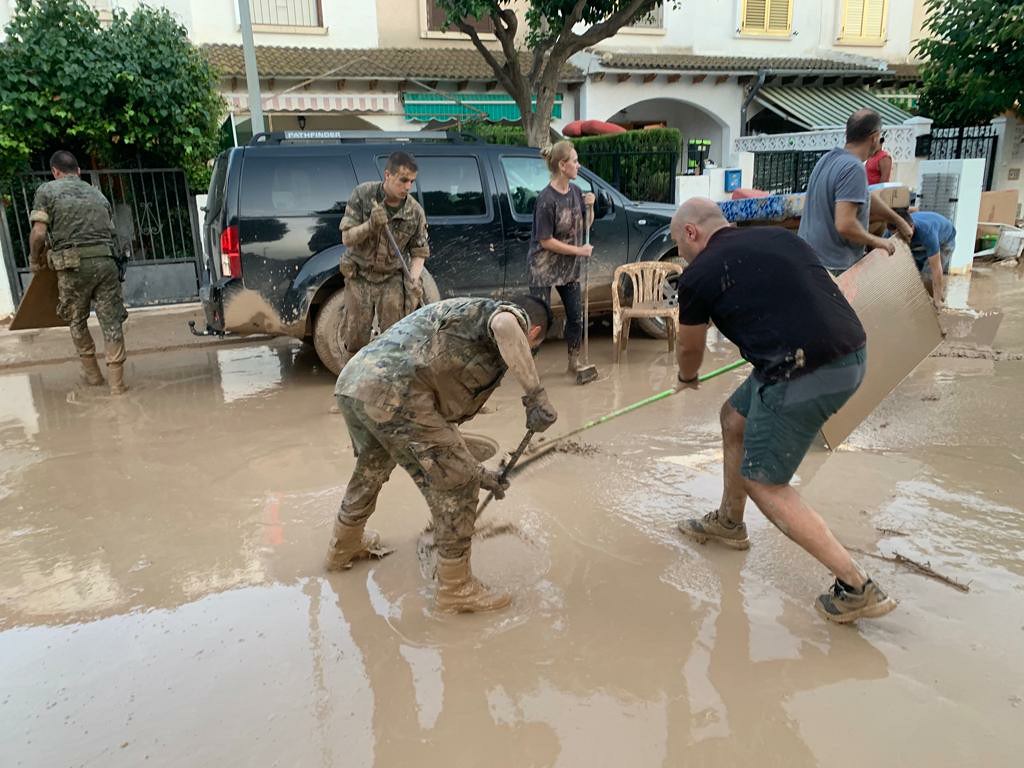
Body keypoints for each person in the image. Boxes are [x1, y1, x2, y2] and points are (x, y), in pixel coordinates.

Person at [671, 198, 897, 624]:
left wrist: (686, 379)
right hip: (850, 351)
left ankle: (856, 586)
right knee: (733, 418)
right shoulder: (778, 237)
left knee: (765, 482)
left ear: (691, 233)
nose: (679, 252)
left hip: (804, 370)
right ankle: (729, 523)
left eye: (676, 242)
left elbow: (689, 348)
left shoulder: (698, 275)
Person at [327, 296, 558, 614]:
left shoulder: (463, 320)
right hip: (395, 392)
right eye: (533, 348)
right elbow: (505, 326)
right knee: (456, 484)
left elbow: (438, 430)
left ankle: (344, 545)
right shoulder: (505, 316)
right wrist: (536, 395)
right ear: (532, 332)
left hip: (357, 384)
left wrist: (482, 474)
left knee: (373, 466)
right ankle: (456, 589)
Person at [28, 150, 129, 394]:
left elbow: (39, 233)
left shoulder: (47, 190)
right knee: (111, 321)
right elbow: (111, 232)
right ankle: (117, 385)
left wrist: (34, 260)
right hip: (106, 263)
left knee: (76, 320)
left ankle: (94, 377)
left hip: (73, 267)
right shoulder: (97, 194)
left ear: (55, 171)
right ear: (79, 171)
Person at [338, 150, 429, 368]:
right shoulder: (363, 195)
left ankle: (387, 385)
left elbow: (419, 252)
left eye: (412, 182)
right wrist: (370, 225)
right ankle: (352, 385)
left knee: (394, 338)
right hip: (359, 275)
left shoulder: (415, 211)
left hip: (391, 279)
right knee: (356, 339)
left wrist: (414, 280)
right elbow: (347, 238)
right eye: (403, 180)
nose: (408, 187)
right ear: (387, 175)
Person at [799, 109, 913, 274]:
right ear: (874, 137)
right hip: (833, 267)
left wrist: (898, 220)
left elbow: (865, 197)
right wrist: (879, 242)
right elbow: (845, 224)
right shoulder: (853, 168)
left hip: (809, 259)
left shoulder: (828, 159)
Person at [527, 140, 596, 377]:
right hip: (543, 267)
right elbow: (545, 241)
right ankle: (529, 369)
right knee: (539, 322)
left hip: (568, 269)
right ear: (562, 165)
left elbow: (583, 226)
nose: (579, 165)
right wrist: (579, 251)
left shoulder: (576, 192)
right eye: (575, 161)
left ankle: (574, 362)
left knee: (576, 317)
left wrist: (592, 207)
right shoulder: (546, 200)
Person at [899, 210, 955, 308]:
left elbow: (936, 269)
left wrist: (937, 300)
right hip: (919, 243)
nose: (904, 238)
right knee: (912, 275)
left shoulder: (927, 232)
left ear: (912, 226)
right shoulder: (890, 233)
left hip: (944, 240)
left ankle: (938, 305)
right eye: (900, 236)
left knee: (928, 278)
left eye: (906, 235)